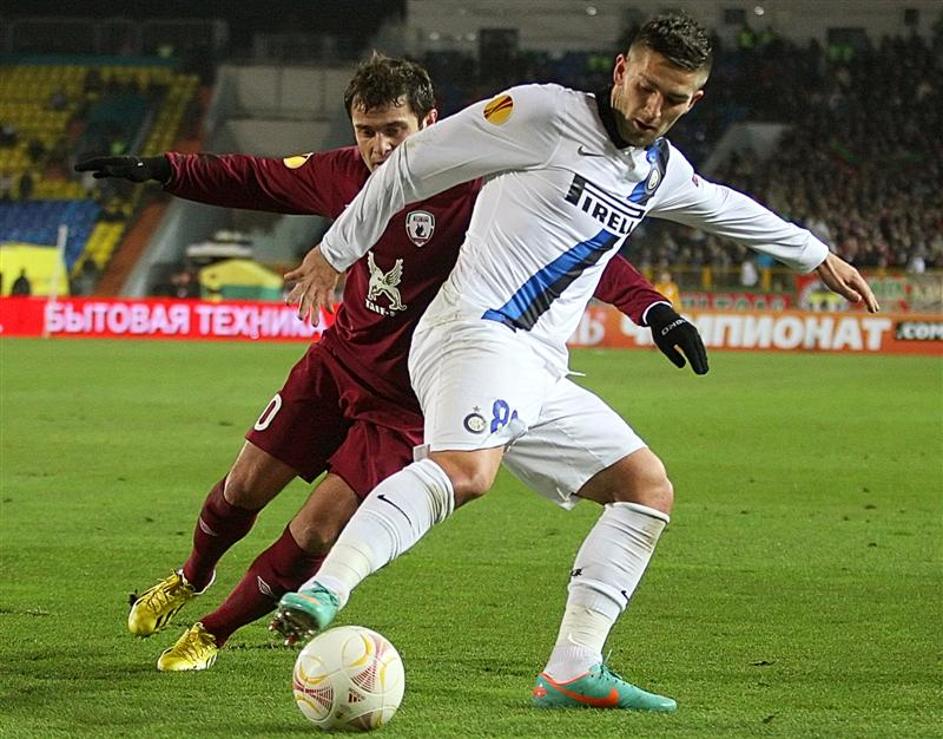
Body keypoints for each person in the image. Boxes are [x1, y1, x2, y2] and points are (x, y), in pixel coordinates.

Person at [272, 13, 879, 712]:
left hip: (537, 367)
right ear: (620, 70)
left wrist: (817, 254)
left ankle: (572, 668)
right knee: (467, 471)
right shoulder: (540, 114)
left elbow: (721, 206)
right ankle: (328, 586)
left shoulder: (657, 171)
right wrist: (335, 251)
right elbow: (412, 164)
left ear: (694, 101)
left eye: (673, 99)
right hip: (473, 332)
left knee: (645, 488)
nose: (652, 109)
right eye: (645, 87)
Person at [75, 54, 704, 673]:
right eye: (366, 132)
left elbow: (590, 251)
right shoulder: (345, 173)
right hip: (337, 365)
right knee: (241, 489)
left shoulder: (483, 184)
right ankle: (191, 576)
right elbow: (255, 177)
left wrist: (651, 307)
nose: (379, 148)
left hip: (413, 401)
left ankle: (212, 633)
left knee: (317, 531)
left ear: (430, 122)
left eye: (394, 131)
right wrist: (164, 169)